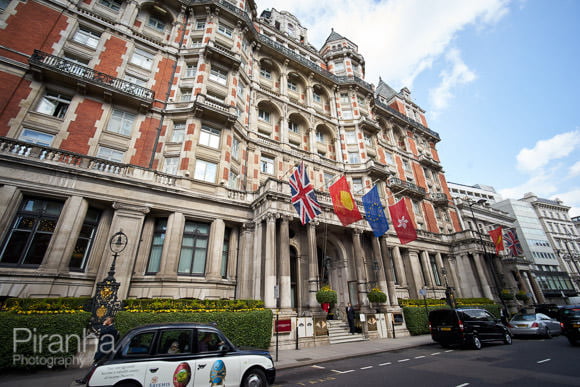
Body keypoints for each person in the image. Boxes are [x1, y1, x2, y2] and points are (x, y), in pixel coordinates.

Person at [76, 316, 119, 385]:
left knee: (95, 365)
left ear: (110, 321)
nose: (105, 320)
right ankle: (86, 379)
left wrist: (103, 324)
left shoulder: (112, 328)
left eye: (107, 320)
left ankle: (85, 380)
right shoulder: (109, 328)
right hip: (104, 349)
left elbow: (102, 331)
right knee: (96, 365)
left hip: (105, 350)